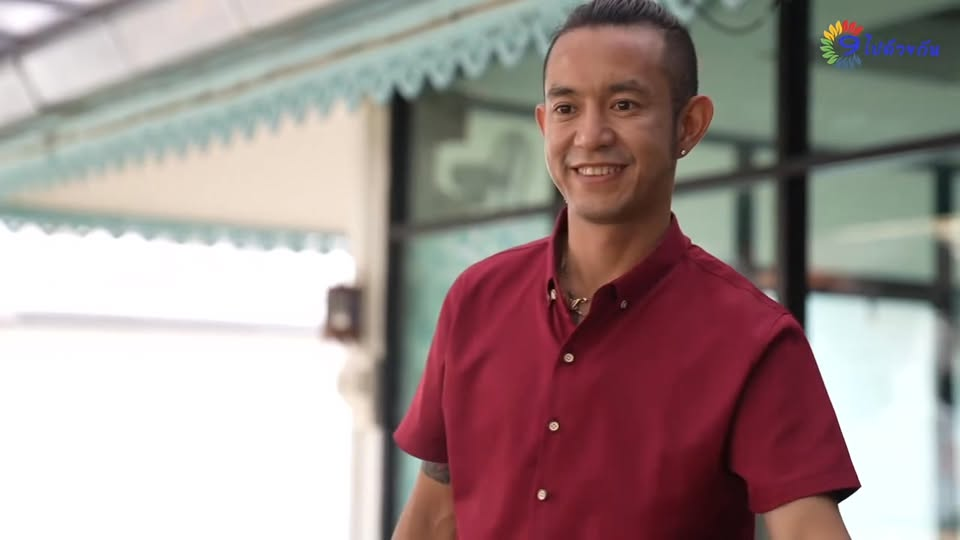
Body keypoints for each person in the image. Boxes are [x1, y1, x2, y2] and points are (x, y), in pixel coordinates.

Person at [390, 0, 861, 538]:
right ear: (544, 124)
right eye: (566, 108)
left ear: (689, 125)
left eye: (624, 104)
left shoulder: (754, 339)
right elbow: (434, 515)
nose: (590, 135)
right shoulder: (476, 300)